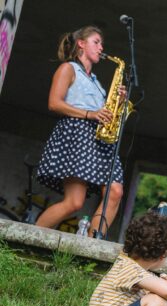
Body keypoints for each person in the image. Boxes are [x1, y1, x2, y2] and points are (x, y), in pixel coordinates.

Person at [36, 25, 125, 237]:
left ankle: (91, 246)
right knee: (73, 203)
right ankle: (28, 237)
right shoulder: (68, 69)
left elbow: (103, 113)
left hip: (99, 138)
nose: (101, 47)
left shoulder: (96, 82)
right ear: (81, 44)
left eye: (102, 44)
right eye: (96, 42)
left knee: (115, 191)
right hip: (77, 133)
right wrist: (89, 114)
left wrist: (118, 103)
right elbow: (54, 103)